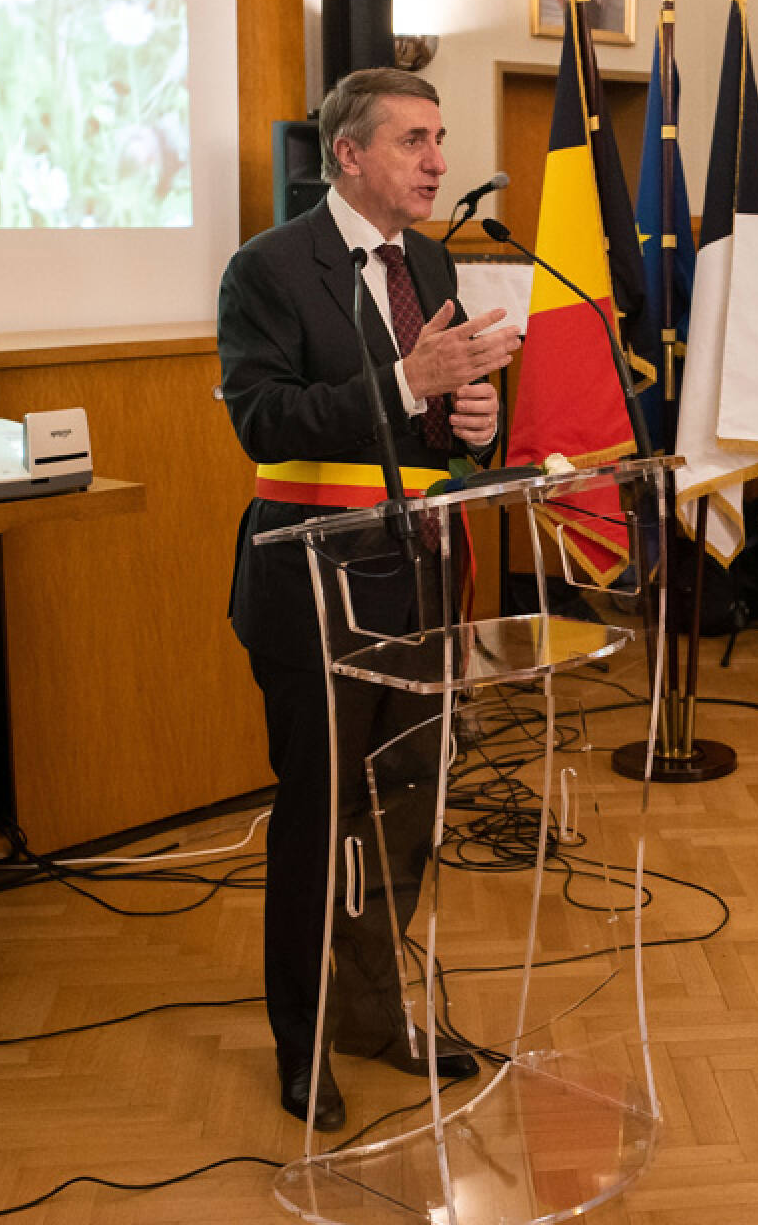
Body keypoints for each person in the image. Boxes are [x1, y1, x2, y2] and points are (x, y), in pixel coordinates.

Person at [217, 68, 522, 1129]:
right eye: (413, 141)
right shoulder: (267, 268)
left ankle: (373, 1013)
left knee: (403, 810)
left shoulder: (428, 260)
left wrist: (470, 420)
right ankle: (302, 1044)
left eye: (440, 138)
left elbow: (427, 427)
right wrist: (406, 384)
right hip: (314, 587)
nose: (438, 161)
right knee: (321, 818)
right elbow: (263, 421)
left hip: (419, 578)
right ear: (347, 155)